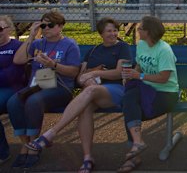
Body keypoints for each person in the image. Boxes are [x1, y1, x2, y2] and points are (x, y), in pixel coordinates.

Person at [25, 17, 132, 173]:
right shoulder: (93, 50)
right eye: (109, 31)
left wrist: (95, 73)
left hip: (115, 90)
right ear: (101, 33)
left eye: (115, 30)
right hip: (93, 91)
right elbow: (80, 76)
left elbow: (118, 73)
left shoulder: (123, 47)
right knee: (85, 107)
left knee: (89, 91)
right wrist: (87, 79)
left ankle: (50, 134)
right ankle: (87, 158)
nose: (113, 33)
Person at [8, 11, 81, 169]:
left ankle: (34, 145)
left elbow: (74, 72)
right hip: (35, 86)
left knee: (34, 101)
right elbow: (18, 60)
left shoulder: (69, 44)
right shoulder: (37, 44)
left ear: (60, 26)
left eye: (50, 25)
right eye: (43, 25)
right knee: (13, 102)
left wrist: (53, 65)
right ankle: (25, 144)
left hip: (60, 88)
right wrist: (32, 36)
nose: (46, 28)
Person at [117, 16, 179, 173]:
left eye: (141, 28)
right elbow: (139, 64)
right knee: (129, 100)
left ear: (149, 32)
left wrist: (140, 76)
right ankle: (137, 144)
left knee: (130, 107)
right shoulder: (141, 45)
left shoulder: (164, 50)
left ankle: (134, 156)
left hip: (166, 94)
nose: (138, 30)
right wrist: (133, 73)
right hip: (147, 89)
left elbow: (164, 78)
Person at [0, 16, 26, 165]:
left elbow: (14, 74)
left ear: (9, 29)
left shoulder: (17, 46)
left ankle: (2, 153)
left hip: (13, 88)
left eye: (0, 29)